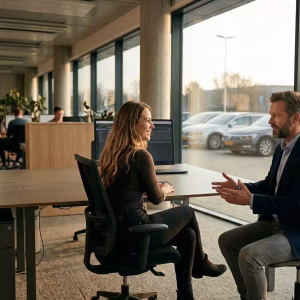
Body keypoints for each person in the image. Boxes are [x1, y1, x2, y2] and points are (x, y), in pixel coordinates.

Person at [99, 101, 227, 300]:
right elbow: (157, 199)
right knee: (188, 212)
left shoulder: (112, 154)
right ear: (133, 124)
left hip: (115, 232)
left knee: (189, 235)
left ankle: (186, 295)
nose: (152, 125)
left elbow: (125, 188)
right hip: (135, 233)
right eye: (148, 120)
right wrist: (164, 189)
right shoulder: (140, 155)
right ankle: (200, 263)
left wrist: (150, 187)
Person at [213, 90, 300, 300]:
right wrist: (241, 187)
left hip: (296, 230)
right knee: (227, 241)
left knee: (249, 256)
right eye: (270, 115)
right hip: (276, 223)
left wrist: (251, 201)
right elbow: (270, 185)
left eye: (276, 115)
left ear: (296, 117)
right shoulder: (282, 149)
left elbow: (296, 205)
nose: (270, 121)